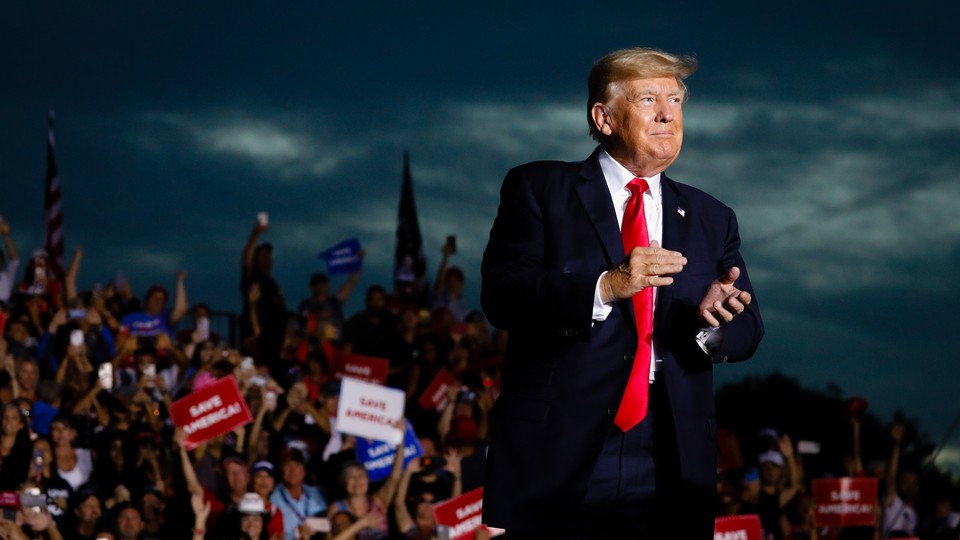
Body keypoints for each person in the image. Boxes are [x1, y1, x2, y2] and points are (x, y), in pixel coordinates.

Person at [480, 47, 764, 538]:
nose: (667, 115)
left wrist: (711, 324)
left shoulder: (712, 217)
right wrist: (607, 286)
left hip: (670, 451)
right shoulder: (539, 187)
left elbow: (748, 330)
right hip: (562, 448)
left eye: (675, 101)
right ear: (604, 117)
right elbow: (503, 293)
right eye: (649, 99)